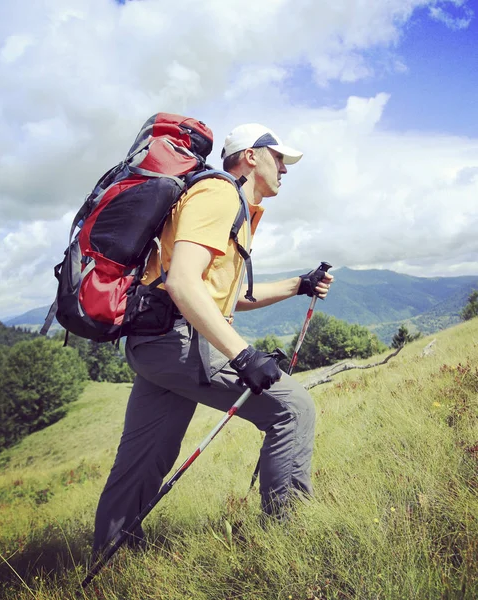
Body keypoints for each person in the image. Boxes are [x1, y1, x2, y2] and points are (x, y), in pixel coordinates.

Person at [92, 122, 334, 556]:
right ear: (250, 156)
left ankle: (115, 554)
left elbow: (229, 296)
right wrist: (243, 356)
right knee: (292, 409)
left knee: (144, 459)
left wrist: (299, 283)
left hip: (156, 341)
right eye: (277, 156)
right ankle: (291, 542)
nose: (284, 167)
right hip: (178, 339)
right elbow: (184, 283)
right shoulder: (221, 195)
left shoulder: (233, 205)